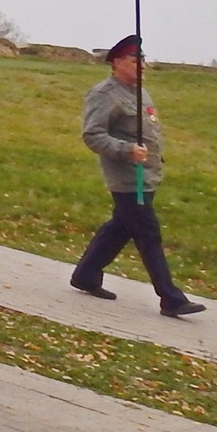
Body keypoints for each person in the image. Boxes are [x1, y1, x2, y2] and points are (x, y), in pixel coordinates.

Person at [68, 36, 205, 319]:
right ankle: (171, 298)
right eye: (134, 60)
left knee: (120, 227)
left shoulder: (140, 92)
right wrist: (126, 149)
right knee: (148, 233)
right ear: (117, 63)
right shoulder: (104, 94)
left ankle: (86, 275)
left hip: (147, 175)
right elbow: (92, 135)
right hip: (127, 178)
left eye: (142, 59)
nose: (141, 65)